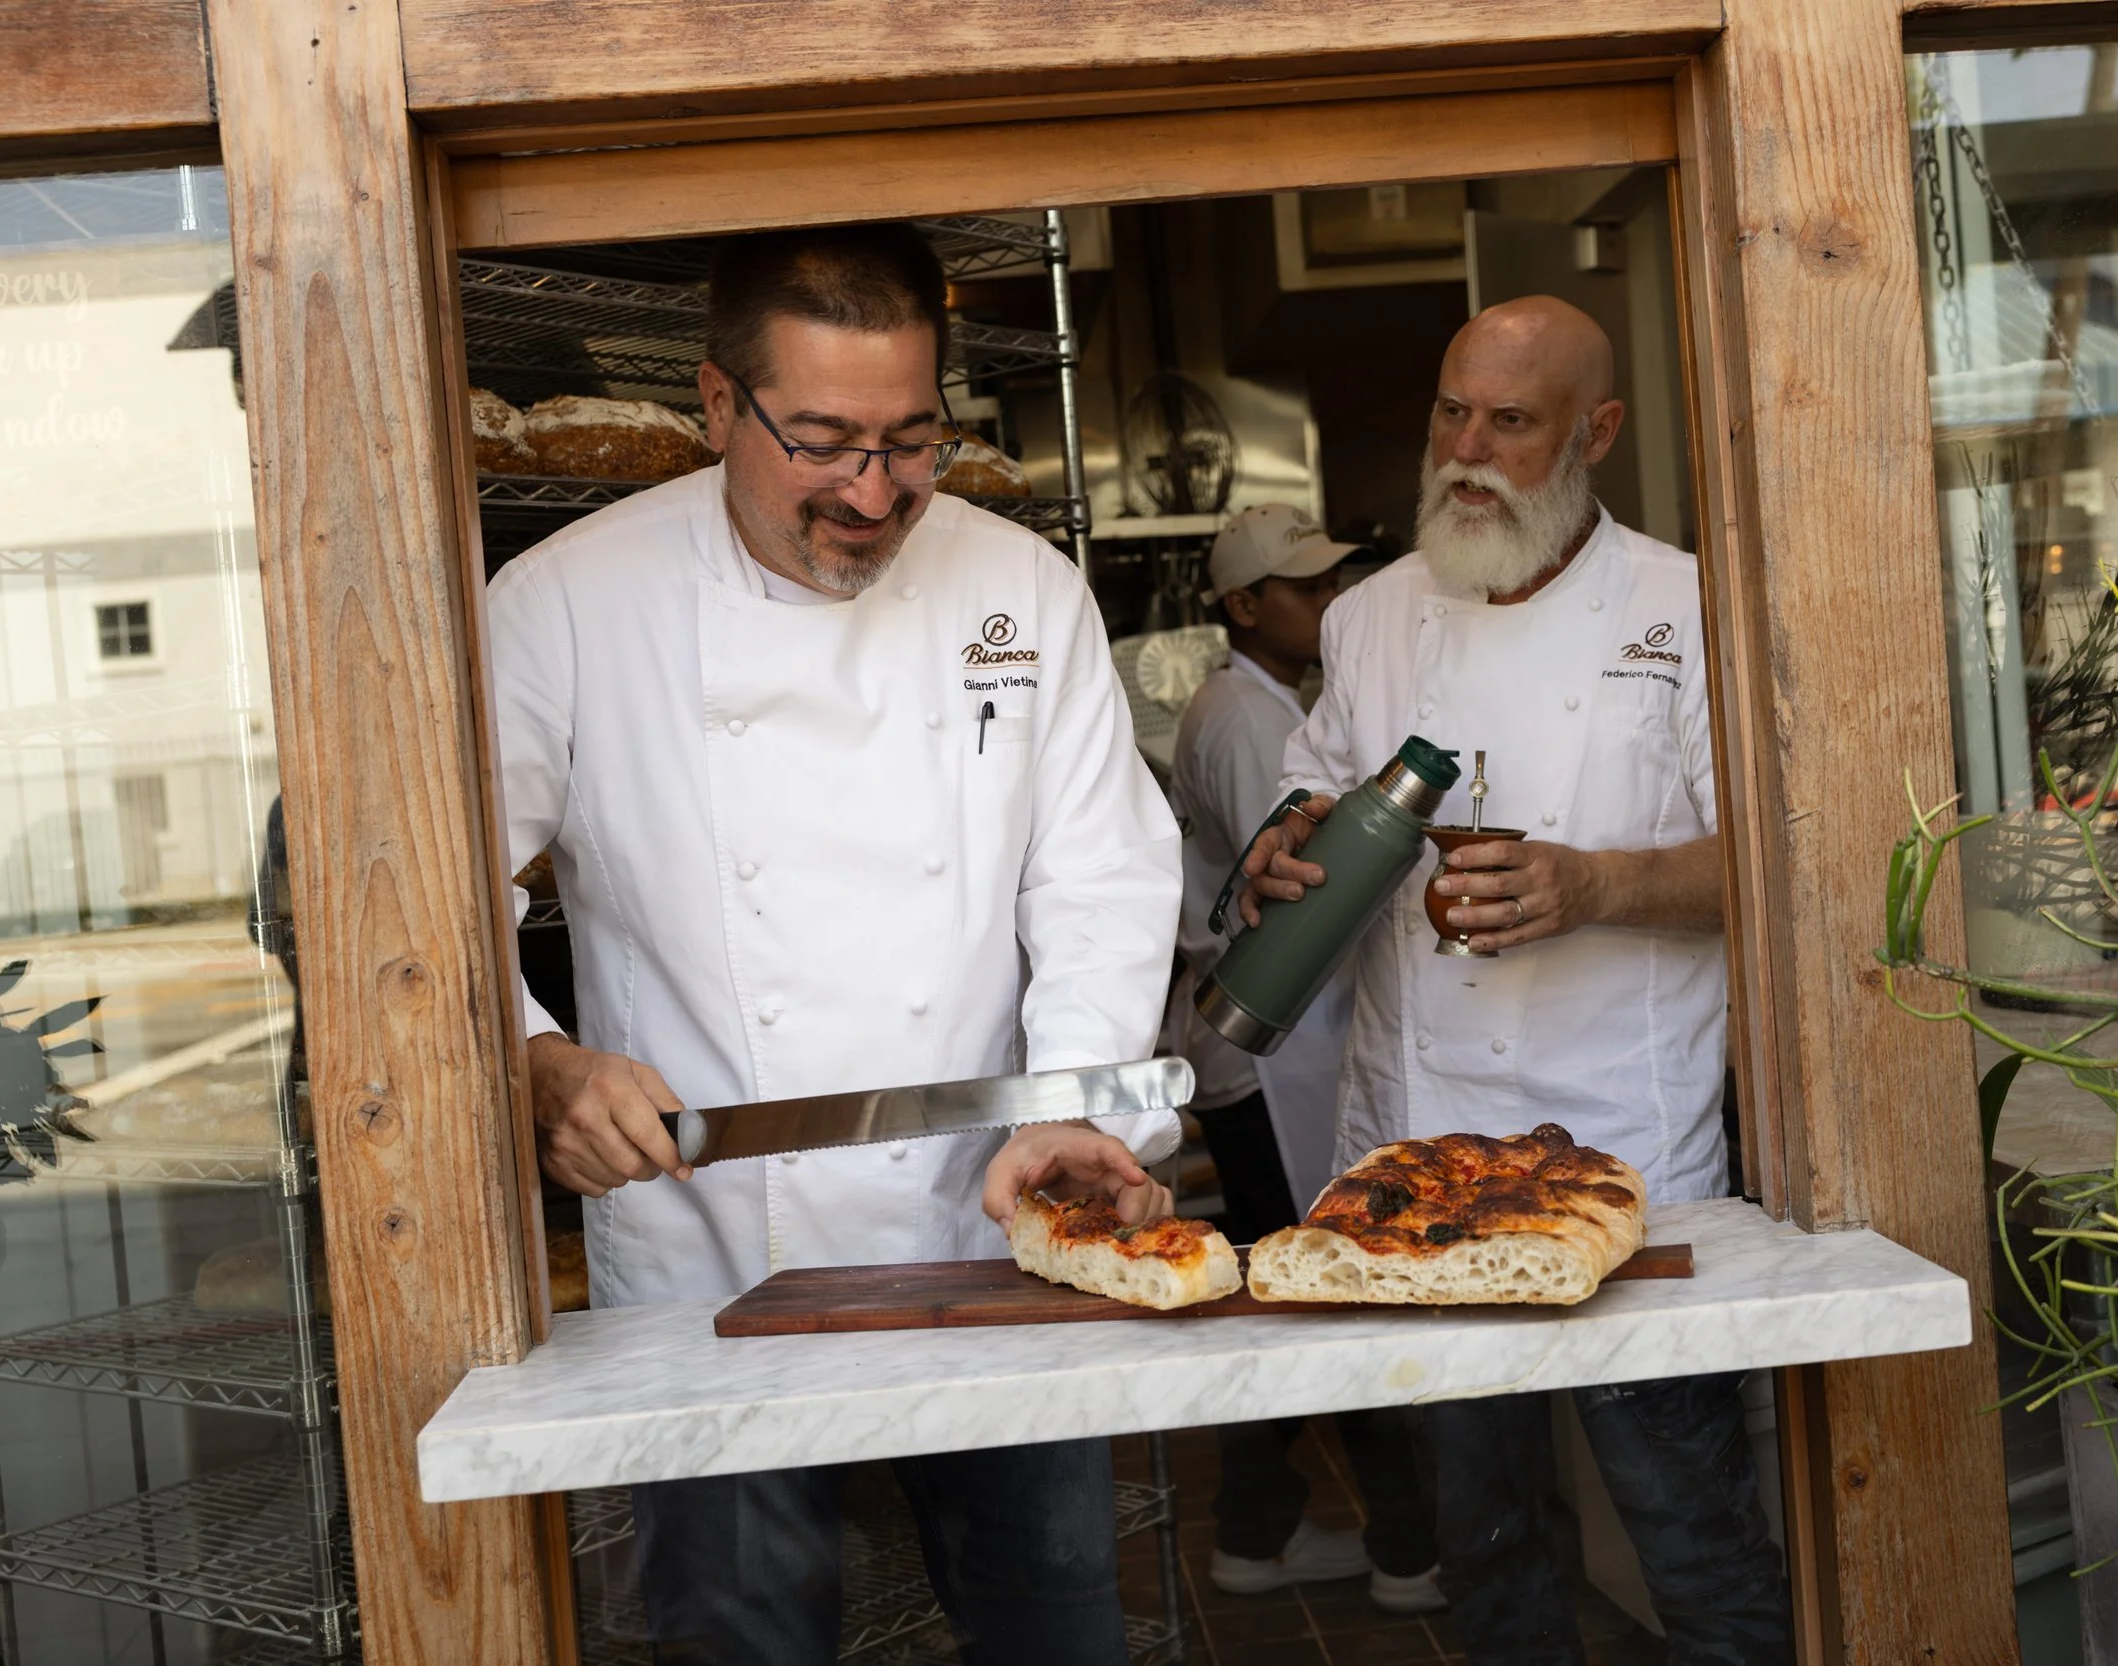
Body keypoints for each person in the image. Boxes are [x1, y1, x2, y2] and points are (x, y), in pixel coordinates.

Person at [486, 223, 1182, 1666]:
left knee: (1056, 1637)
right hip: (710, 1254)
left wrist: (1069, 1099)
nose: (874, 491)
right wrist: (538, 1059)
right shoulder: (564, 602)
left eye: (911, 440)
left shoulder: (1022, 589)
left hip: (998, 1228)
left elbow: (1101, 874)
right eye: (822, 440)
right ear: (717, 405)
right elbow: (432, 914)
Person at [1240, 295, 1790, 1665]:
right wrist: (1281, 847)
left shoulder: (1688, 604)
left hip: (1628, 1136)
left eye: (1513, 420)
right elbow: (1316, 787)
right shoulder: (1369, 615)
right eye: (1451, 410)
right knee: (1482, 1535)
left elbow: (1786, 864)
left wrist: (1596, 884)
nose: (1466, 448)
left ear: (1597, 430)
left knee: (1690, 1518)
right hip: (1423, 1138)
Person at [1164, 506, 1441, 1613]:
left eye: (1333, 584)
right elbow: (1296, 896)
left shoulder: (1281, 705)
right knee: (1317, 1294)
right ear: (1242, 605)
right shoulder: (1238, 716)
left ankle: (1261, 1526)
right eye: (1303, 588)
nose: (1328, 603)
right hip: (1262, 1059)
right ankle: (1407, 1548)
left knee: (1292, 1289)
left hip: (1291, 1052)